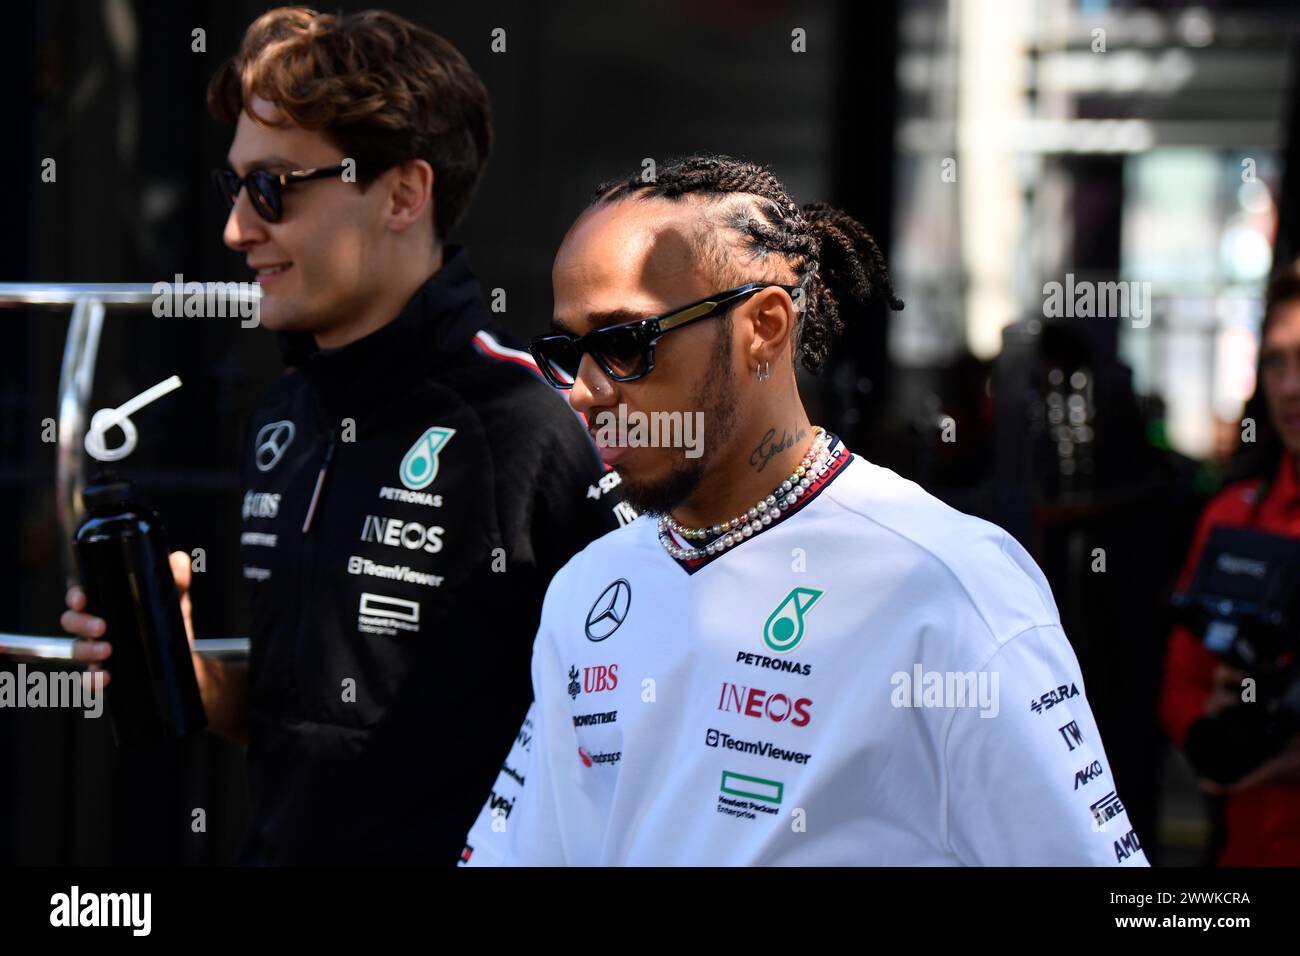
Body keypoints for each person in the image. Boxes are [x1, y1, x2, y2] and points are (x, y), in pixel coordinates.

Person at [459, 154, 1147, 866]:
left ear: (764, 325)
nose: (583, 391)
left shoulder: (948, 586)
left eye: (626, 343)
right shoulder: (586, 591)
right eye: (567, 351)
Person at [60, 6, 628, 865]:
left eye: (272, 188)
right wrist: (182, 666)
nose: (236, 230)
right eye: (234, 187)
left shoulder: (529, 428)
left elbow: (629, 752)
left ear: (404, 194)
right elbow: (315, 726)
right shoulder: (283, 418)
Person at [1160, 260, 1300, 866]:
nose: (1291, 386)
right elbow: (1179, 683)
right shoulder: (1232, 515)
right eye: (1276, 362)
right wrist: (1215, 730)